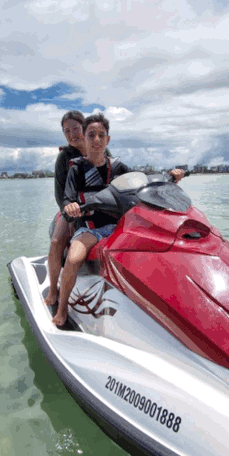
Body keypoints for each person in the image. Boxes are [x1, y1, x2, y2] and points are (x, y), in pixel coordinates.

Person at [51, 112, 184, 326]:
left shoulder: (118, 167)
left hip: (120, 226)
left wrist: (170, 178)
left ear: (108, 140)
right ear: (85, 138)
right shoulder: (75, 168)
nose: (96, 139)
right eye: (91, 135)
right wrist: (70, 206)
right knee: (74, 259)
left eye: (101, 135)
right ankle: (62, 307)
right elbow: (66, 197)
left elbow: (143, 183)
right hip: (91, 228)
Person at [45, 110, 112, 306]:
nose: (72, 134)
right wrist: (70, 215)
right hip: (71, 211)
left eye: (75, 129)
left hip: (100, 210)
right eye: (66, 131)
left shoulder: (103, 151)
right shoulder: (64, 157)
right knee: (57, 240)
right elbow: (60, 194)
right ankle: (53, 289)